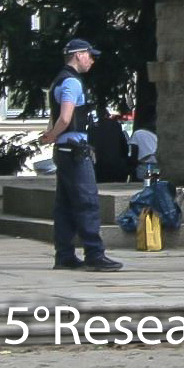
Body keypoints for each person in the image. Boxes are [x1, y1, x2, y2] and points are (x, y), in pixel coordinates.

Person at [40, 38, 122, 272]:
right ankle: (94, 254)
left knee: (65, 205)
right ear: (78, 55)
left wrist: (52, 135)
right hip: (75, 151)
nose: (92, 60)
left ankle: (64, 255)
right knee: (87, 202)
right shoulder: (72, 83)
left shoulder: (60, 79)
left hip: (65, 152)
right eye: (90, 55)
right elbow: (66, 118)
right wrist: (52, 135)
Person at [88, 112, 131, 183]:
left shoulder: (93, 129)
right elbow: (124, 148)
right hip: (117, 166)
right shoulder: (116, 127)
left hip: (99, 167)